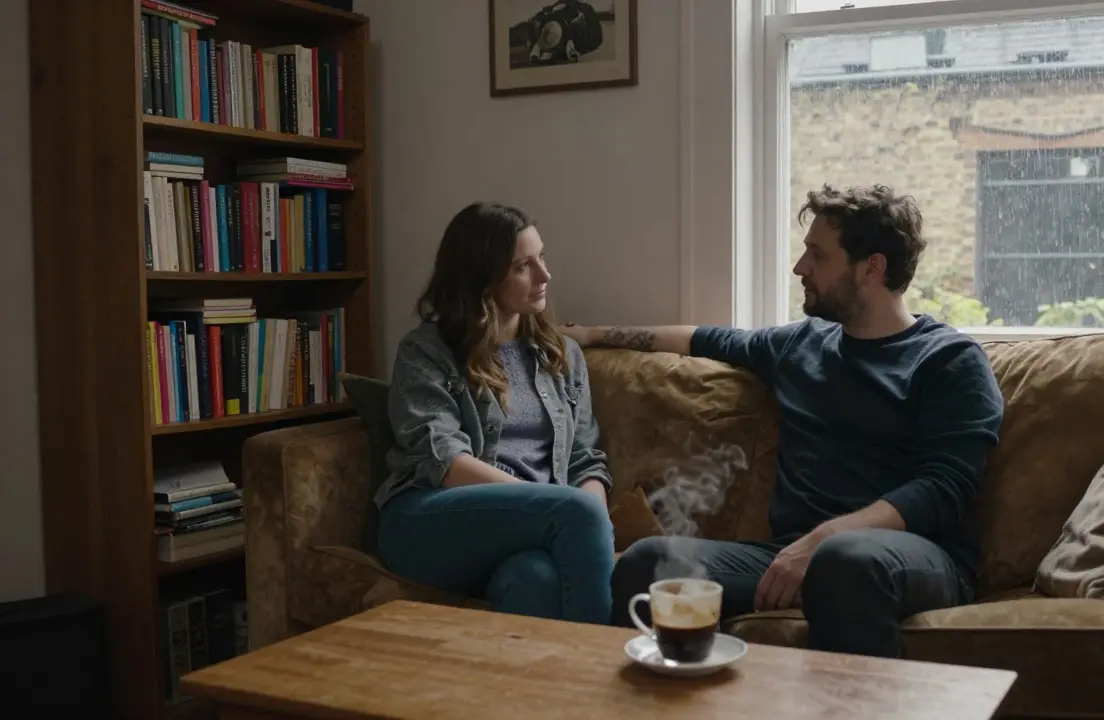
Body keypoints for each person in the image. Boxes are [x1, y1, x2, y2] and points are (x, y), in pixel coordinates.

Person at [562, 184, 1005, 658]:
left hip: (910, 556)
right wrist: (589, 334)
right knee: (648, 565)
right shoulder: (801, 346)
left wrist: (825, 537)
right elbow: (705, 339)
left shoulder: (949, 361)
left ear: (872, 268)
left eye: (818, 255)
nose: (800, 268)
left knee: (845, 562)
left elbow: (944, 488)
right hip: (792, 554)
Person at [375, 201, 616, 625]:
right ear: (482, 277)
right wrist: (556, 507)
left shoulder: (562, 356)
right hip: (430, 521)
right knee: (577, 510)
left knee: (534, 578)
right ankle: (601, 676)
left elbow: (584, 458)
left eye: (542, 257)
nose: (545, 275)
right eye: (524, 265)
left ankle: (532, 692)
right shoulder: (426, 352)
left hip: (534, 528)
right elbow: (444, 459)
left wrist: (593, 523)